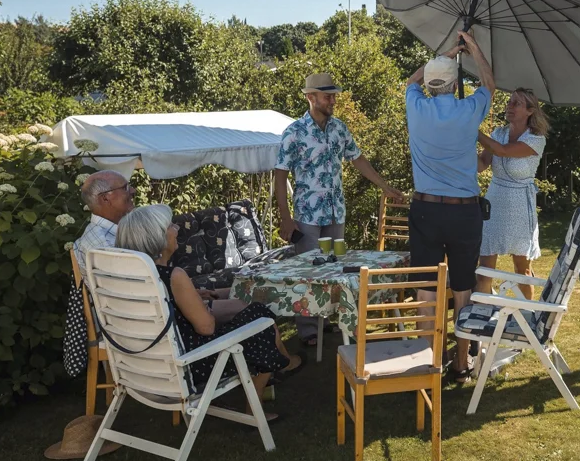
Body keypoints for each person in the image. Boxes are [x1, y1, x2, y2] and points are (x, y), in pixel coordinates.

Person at [115, 205, 301, 417]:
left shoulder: (134, 278)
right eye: (170, 226)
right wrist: (199, 306)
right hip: (191, 365)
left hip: (148, 369)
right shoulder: (174, 276)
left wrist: (192, 298)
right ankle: (256, 403)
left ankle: (280, 367)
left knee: (249, 314)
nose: (177, 229)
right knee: (260, 318)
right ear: (157, 238)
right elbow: (206, 327)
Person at [274, 72, 404, 346]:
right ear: (311, 97)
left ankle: (327, 320)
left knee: (335, 268)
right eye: (328, 96)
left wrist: (385, 186)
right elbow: (280, 174)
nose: (333, 101)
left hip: (336, 212)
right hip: (308, 214)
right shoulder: (294, 132)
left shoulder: (339, 129)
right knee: (309, 271)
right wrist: (285, 218)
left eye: (334, 96)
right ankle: (308, 331)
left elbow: (358, 159)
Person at [405, 30, 494, 381]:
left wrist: (444, 54)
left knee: (426, 286)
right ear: (456, 84)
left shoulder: (416, 105)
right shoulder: (469, 109)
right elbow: (489, 84)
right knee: (463, 286)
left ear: (429, 84)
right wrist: (473, 49)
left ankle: (429, 361)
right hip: (463, 210)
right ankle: (460, 362)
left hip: (426, 209)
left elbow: (411, 81)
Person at [476, 89, 549, 300]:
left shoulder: (536, 139)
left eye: (516, 103)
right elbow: (481, 165)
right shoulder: (498, 133)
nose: (510, 106)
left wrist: (474, 131)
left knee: (522, 270)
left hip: (520, 206)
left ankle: (526, 314)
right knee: (485, 268)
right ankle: (482, 312)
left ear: (530, 111)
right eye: (509, 102)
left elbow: (504, 151)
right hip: (494, 202)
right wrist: (462, 147)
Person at [74, 171, 136, 280]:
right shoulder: (107, 246)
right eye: (125, 188)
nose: (133, 190)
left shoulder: (97, 234)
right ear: (105, 198)